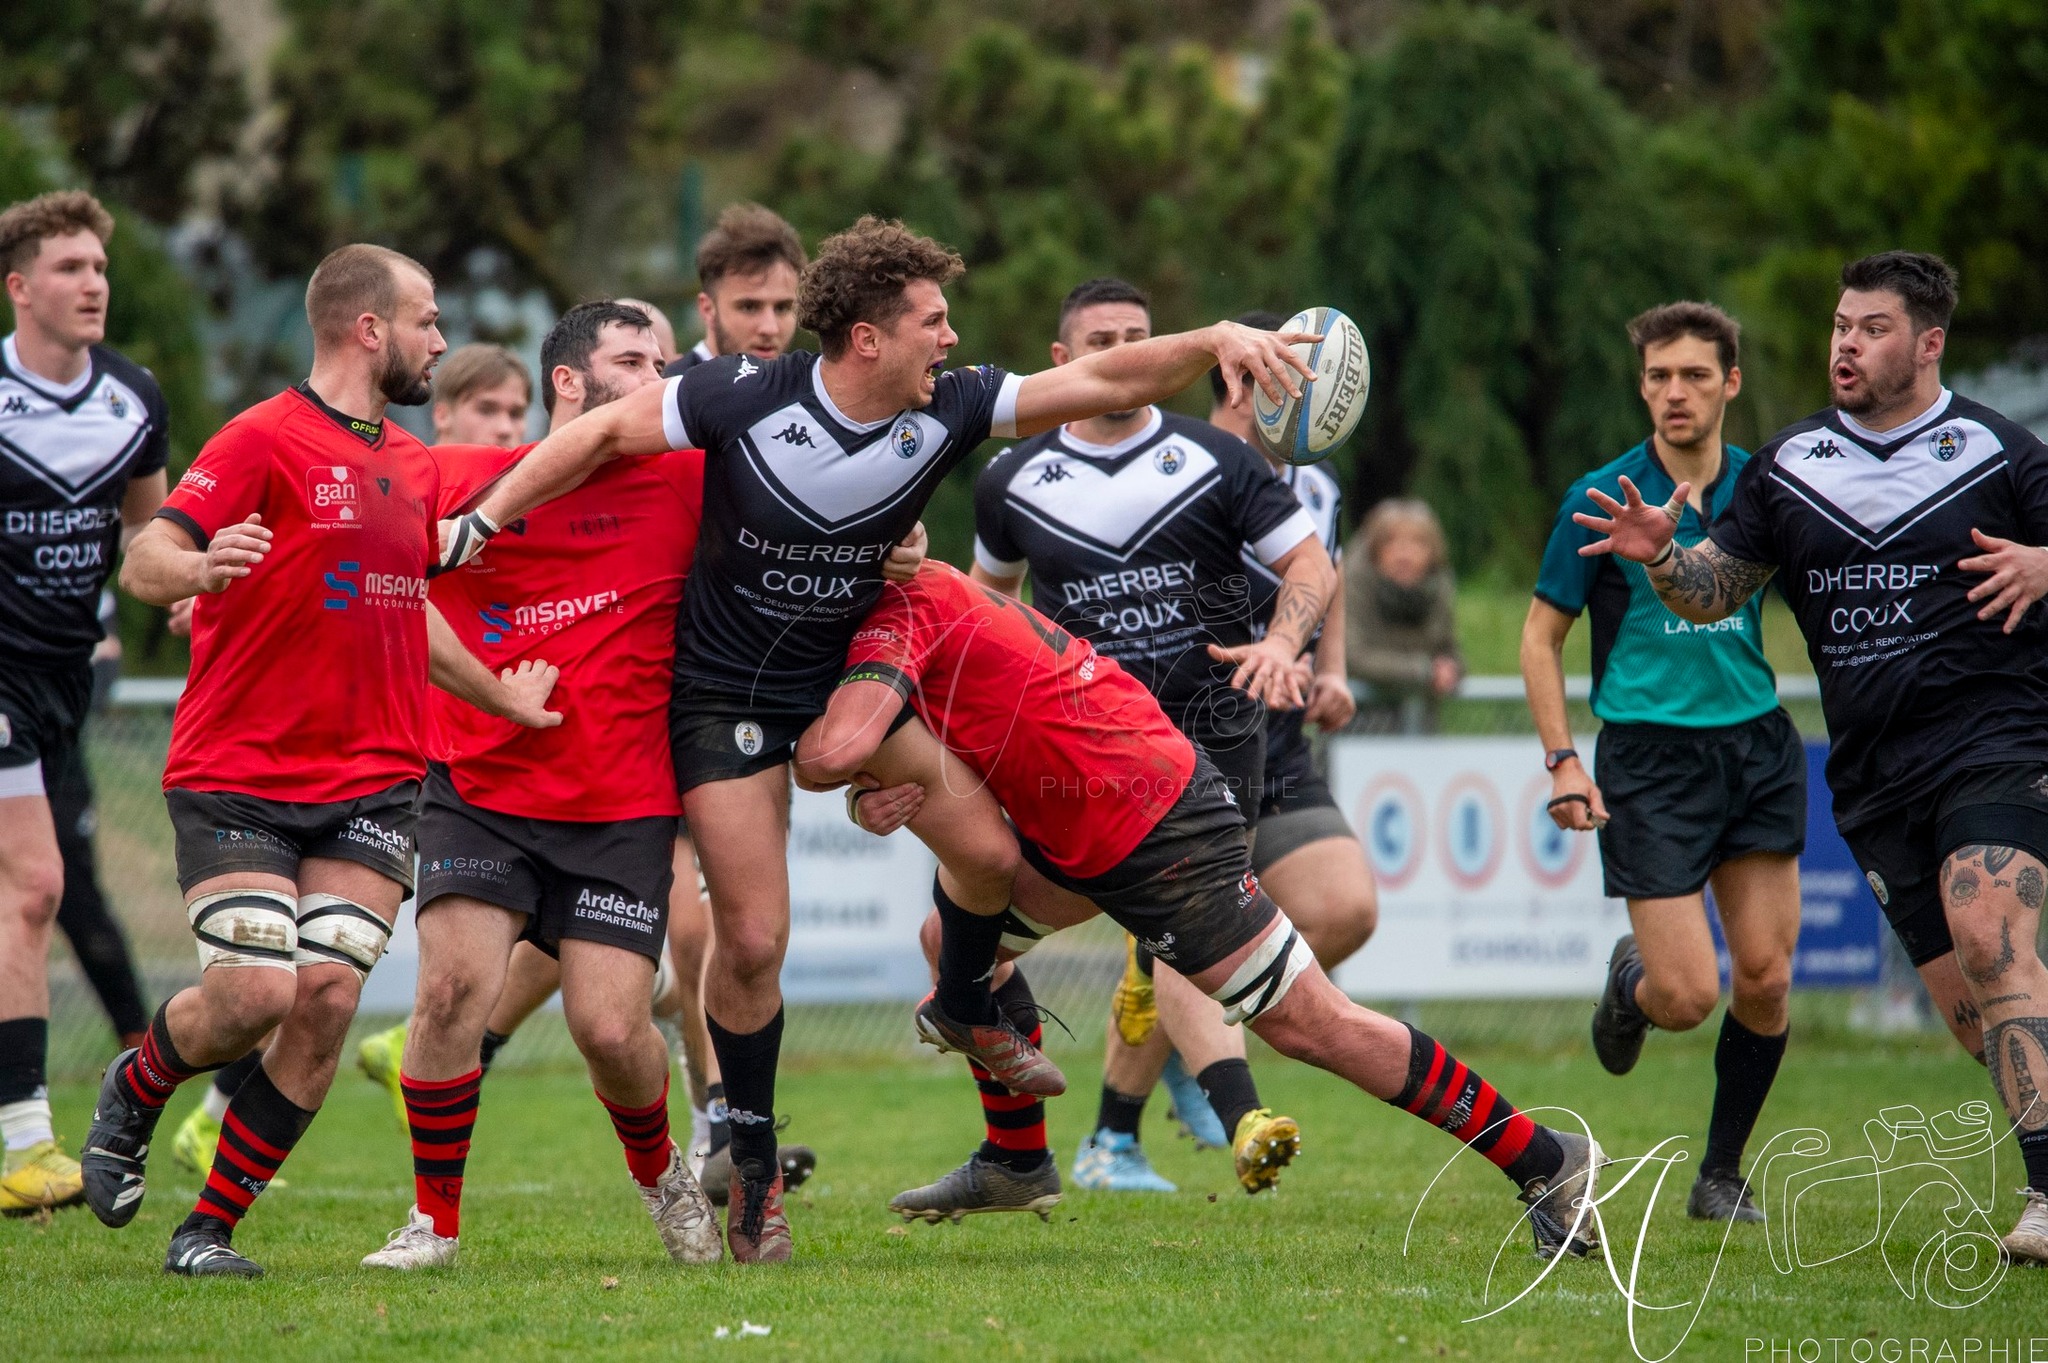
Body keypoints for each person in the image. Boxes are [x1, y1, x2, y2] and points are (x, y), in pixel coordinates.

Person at [433, 215, 1322, 1262]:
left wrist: (1208, 338)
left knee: (987, 856)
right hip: (724, 701)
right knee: (754, 940)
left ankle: (964, 1007)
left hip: (851, 674)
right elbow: (593, 434)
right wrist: (479, 523)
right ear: (865, 336)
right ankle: (753, 1166)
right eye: (931, 320)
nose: (950, 339)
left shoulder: (942, 406)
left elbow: (1092, 384)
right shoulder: (741, 397)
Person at [798, 560, 1606, 1261]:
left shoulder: (891, 614)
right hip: (1082, 819)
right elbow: (944, 744)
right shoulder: (912, 593)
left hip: (1153, 823)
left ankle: (1544, 1157)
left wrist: (791, 750)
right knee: (952, 937)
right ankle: (1016, 1161)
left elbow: (832, 749)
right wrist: (874, 787)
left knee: (1310, 1023)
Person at [89, 243, 560, 1278]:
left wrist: (500, 694)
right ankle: (139, 1079)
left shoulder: (413, 462)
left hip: (376, 779)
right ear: (368, 328)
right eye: (427, 318)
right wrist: (201, 562)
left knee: (328, 1003)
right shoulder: (265, 435)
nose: (440, 338)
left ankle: (205, 1231)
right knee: (255, 995)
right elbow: (146, 554)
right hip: (241, 770)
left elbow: (408, 609)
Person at [1571, 251, 2048, 1264]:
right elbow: (1711, 592)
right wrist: (1662, 552)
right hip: (1876, 782)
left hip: (1997, 739)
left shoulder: (1997, 451)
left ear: (1927, 344)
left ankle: (2047, 1195)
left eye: (1870, 328)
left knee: (1985, 915)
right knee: (1975, 1014)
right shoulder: (1791, 466)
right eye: (1839, 325)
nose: (1845, 344)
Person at [360, 300, 722, 1270]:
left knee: (609, 1027)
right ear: (569, 381)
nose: (660, 378)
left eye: (665, 360)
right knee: (448, 994)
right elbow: (348, 543)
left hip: (623, 803)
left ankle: (663, 1180)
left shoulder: (690, 478)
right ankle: (432, 1220)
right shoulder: (465, 479)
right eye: (633, 360)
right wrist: (207, 575)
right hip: (478, 785)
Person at [960, 282, 1337, 1198]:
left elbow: (1312, 564)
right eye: (1102, 339)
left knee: (1192, 928)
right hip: (1081, 747)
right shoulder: (1009, 479)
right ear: (1063, 362)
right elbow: (982, 611)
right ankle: (1026, 1149)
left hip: (1215, 730)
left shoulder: (1218, 458)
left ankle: (1231, 1107)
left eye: (1138, 336)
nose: (1124, 350)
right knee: (968, 942)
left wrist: (1285, 643)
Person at [1524, 300, 1801, 1223]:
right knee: (1686, 997)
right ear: (1641, 384)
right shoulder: (1600, 496)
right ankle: (1630, 983)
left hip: (1758, 744)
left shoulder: (1772, 488)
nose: (1674, 392)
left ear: (1731, 381)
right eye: (1657, 376)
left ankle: (1721, 1174)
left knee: (1764, 978)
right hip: (1648, 758)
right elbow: (1539, 637)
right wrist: (1564, 760)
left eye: (1693, 374)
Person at [0, 190, 170, 1216]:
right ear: (19, 287)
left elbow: (151, 536)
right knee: (34, 884)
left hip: (65, 681)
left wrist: (192, 584)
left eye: (98, 266)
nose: (93, 282)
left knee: (38, 892)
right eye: (68, 267)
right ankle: (24, 1141)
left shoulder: (133, 397)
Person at [1343, 500, 1462, 733]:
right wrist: (1423, 671)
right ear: (1375, 550)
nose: (1404, 554)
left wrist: (1452, 670)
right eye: (1392, 542)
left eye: (1417, 543)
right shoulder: (1353, 583)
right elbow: (1352, 656)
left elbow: (1449, 649)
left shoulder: (1439, 587)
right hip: (1357, 728)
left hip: (1420, 728)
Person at [662, 204, 805, 376]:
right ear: (707, 309)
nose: (770, 328)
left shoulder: (806, 393)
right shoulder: (669, 392)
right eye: (749, 307)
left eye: (782, 308)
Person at [429, 344, 533, 448]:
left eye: (515, 414)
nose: (505, 429)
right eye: (486, 411)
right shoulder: (414, 463)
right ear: (442, 416)